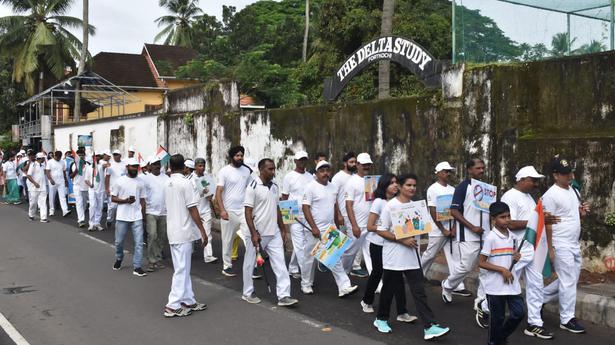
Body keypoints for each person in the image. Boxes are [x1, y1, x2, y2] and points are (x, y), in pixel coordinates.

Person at [374, 173, 450, 340]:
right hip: (393, 257)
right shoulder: (390, 206)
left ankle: (430, 327)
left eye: (414, 186)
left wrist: (420, 228)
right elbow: (380, 230)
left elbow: (418, 229)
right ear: (400, 187)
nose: (412, 188)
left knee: (419, 291)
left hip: (412, 255)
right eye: (408, 185)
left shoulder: (416, 206)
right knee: (388, 290)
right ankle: (381, 319)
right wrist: (401, 239)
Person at [501, 166, 556, 339]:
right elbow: (508, 223)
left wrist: (539, 221)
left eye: (536, 180)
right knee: (508, 282)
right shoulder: (510, 196)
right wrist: (537, 221)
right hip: (516, 247)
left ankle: (534, 323)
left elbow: (535, 222)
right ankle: (485, 307)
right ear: (522, 179)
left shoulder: (530, 198)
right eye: (533, 180)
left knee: (536, 284)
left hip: (531, 246)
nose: (536, 183)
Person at [542, 157, 591, 334]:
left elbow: (574, 215)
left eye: (570, 172)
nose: (569, 176)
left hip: (573, 242)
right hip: (560, 243)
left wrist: (582, 213)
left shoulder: (573, 190)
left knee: (569, 280)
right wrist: (550, 248)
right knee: (568, 280)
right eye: (564, 173)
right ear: (555, 175)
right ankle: (567, 319)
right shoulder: (550, 195)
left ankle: (538, 298)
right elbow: (547, 223)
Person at [241, 158, 299, 307]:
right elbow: (248, 212)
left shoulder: (274, 186)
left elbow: (277, 208)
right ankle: (248, 292)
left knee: (280, 264)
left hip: (273, 233)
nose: (273, 172)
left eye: (274, 169)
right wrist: (253, 233)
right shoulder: (252, 186)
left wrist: (283, 229)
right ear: (261, 170)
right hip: (257, 234)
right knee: (249, 264)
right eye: (270, 169)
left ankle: (284, 295)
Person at [441, 158, 491, 328]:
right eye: (478, 168)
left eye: (483, 167)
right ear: (469, 170)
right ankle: (448, 286)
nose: (482, 170)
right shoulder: (463, 187)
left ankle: (481, 301)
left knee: (486, 269)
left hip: (486, 235)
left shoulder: (486, 188)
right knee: (466, 267)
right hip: (468, 235)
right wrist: (472, 227)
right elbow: (454, 210)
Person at [361, 173, 416, 323]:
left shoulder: (400, 202)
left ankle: (402, 311)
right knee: (377, 273)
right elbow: (370, 226)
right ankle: (367, 300)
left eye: (396, 183)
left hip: (393, 245)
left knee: (397, 278)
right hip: (378, 244)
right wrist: (387, 229)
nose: (394, 185)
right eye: (391, 183)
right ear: (385, 185)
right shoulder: (379, 202)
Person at [301, 160, 358, 297]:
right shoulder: (310, 187)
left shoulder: (333, 187)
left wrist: (336, 226)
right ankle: (306, 284)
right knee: (309, 258)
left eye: (327, 170)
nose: (325, 173)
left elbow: (334, 206)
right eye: (322, 171)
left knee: (334, 257)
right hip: (313, 229)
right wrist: (313, 227)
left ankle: (344, 286)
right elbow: (305, 207)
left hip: (329, 228)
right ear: (316, 173)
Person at [163, 154, 208, 318]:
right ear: (184, 167)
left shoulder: (167, 182)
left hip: (174, 230)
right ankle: (172, 305)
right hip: (183, 231)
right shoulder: (185, 183)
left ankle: (188, 300)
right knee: (182, 269)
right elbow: (192, 208)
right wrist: (202, 230)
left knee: (183, 268)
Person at [421, 162, 471, 297]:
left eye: (449, 171)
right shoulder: (433, 189)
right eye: (445, 171)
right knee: (430, 254)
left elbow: (456, 209)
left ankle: (457, 286)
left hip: (452, 228)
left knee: (455, 256)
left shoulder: (453, 189)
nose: (448, 173)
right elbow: (432, 210)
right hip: (438, 229)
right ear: (437, 172)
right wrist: (442, 229)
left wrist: (454, 227)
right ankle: (418, 275)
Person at [479, 201, 525, 345]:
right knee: (497, 319)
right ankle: (494, 342)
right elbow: (481, 262)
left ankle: (501, 337)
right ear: (493, 220)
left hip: (512, 284)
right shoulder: (490, 238)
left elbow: (510, 258)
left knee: (518, 313)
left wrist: (516, 258)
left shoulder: (513, 237)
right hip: (495, 287)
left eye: (508, 216)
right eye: (502, 217)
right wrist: (502, 270)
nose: (507, 220)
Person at [215, 146, 252, 277]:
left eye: (241, 155)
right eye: (237, 155)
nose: (240, 158)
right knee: (227, 240)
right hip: (228, 211)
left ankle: (250, 266)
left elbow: (251, 190)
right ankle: (227, 266)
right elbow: (218, 192)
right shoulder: (224, 171)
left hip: (243, 211)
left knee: (249, 237)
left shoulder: (247, 171)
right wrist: (222, 210)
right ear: (232, 157)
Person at [111, 158, 147, 277]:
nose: (135, 168)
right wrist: (125, 200)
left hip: (137, 215)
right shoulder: (120, 181)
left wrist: (144, 214)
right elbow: (113, 198)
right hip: (122, 215)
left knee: (139, 242)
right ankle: (119, 258)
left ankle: (137, 266)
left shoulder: (141, 182)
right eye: (132, 166)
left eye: (136, 166)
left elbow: (142, 200)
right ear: (127, 167)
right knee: (119, 242)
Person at [281, 150, 314, 280]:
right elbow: (284, 197)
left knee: (303, 244)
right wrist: (287, 219)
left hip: (307, 214)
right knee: (299, 245)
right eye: (300, 160)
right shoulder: (289, 177)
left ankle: (293, 267)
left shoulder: (310, 177)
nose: (302, 162)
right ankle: (305, 273)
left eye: (304, 159)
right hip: (293, 213)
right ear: (295, 161)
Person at [332, 152, 365, 276]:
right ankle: (338, 265)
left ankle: (353, 267)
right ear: (345, 163)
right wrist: (339, 214)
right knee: (343, 241)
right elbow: (333, 196)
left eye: (355, 162)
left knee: (354, 241)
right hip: (343, 214)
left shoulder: (355, 177)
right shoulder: (338, 177)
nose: (353, 164)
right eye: (351, 162)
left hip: (354, 215)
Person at [341, 153, 374, 275]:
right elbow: (348, 205)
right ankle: (342, 274)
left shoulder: (370, 181)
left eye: (368, 165)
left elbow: (372, 202)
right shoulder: (351, 182)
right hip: (357, 225)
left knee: (370, 253)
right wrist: (354, 225)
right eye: (364, 164)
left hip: (369, 224)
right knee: (350, 252)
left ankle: (377, 283)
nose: (366, 167)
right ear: (358, 165)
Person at [142, 157, 169, 272]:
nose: (157, 166)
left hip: (164, 212)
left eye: (158, 164)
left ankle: (158, 259)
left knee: (161, 237)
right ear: (150, 166)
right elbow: (142, 197)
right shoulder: (146, 179)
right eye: (154, 164)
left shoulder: (166, 178)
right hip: (150, 211)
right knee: (152, 235)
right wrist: (143, 213)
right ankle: (151, 261)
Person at [188, 157, 217, 263]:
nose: (202, 168)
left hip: (205, 209)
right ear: (195, 166)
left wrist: (208, 192)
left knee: (207, 232)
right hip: (193, 209)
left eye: (203, 166)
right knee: (191, 232)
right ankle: (189, 250)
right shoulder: (190, 179)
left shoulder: (206, 177)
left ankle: (208, 255)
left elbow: (210, 196)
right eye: (200, 166)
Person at [45, 151, 71, 217]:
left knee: (62, 197)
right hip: (53, 182)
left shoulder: (62, 162)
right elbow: (47, 171)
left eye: (60, 157)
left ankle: (65, 211)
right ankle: (51, 210)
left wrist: (65, 180)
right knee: (52, 196)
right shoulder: (50, 162)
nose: (58, 158)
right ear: (55, 156)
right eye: (57, 157)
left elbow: (64, 171)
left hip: (61, 181)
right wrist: (50, 179)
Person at [105, 150, 126, 227]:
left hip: (122, 189)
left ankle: (121, 222)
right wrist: (107, 188)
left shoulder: (124, 165)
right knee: (112, 207)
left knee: (122, 206)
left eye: (116, 154)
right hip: (113, 189)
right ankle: (109, 219)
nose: (115, 156)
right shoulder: (110, 165)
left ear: (120, 155)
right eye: (114, 155)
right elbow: (107, 177)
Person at [26, 152, 49, 222]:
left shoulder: (43, 165)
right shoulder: (33, 165)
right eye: (43, 158)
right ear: (41, 158)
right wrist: (35, 183)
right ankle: (31, 215)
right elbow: (28, 176)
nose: (44, 159)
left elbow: (45, 173)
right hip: (34, 188)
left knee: (43, 202)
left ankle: (43, 218)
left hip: (43, 187)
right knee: (33, 203)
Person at [84, 156, 104, 231]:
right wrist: (90, 184)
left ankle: (97, 223)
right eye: (95, 157)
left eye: (98, 157)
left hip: (101, 189)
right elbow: (86, 180)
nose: (96, 158)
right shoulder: (89, 168)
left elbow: (106, 165)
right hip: (92, 189)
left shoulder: (101, 166)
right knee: (92, 206)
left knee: (100, 206)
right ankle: (91, 224)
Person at [70, 150, 89, 228]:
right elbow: (70, 176)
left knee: (84, 203)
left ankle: (82, 215)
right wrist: (76, 171)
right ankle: (81, 220)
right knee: (79, 203)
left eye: (82, 155)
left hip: (85, 186)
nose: (81, 156)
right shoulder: (73, 164)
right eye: (79, 155)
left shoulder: (88, 164)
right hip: (77, 186)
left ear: (84, 156)